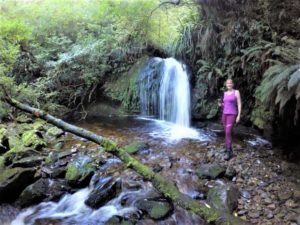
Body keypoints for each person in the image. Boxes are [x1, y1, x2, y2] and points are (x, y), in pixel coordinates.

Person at [219, 79, 242, 160]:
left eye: (230, 83)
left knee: (228, 132)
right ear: (226, 84)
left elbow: (239, 104)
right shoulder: (224, 93)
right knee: (226, 132)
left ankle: (229, 152)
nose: (229, 84)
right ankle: (228, 148)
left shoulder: (236, 92)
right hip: (224, 114)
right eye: (227, 83)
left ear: (233, 84)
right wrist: (220, 104)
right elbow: (225, 104)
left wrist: (239, 115)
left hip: (232, 114)